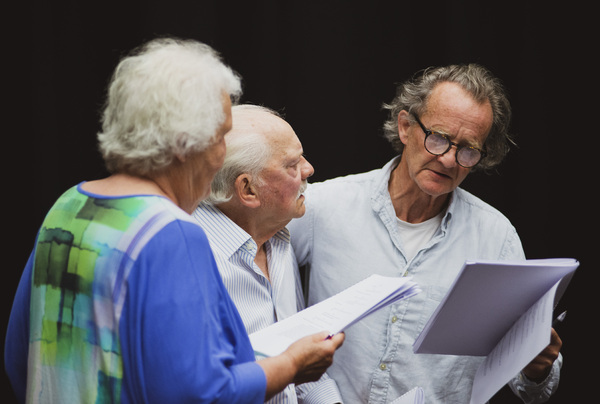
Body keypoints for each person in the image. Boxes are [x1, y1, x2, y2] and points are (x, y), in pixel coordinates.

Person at [4, 38, 344, 404]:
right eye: (219, 139)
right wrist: (292, 364)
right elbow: (201, 394)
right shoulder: (171, 233)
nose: (220, 158)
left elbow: (19, 357)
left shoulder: (67, 206)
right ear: (186, 145)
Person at [287, 64, 562, 404]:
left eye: (468, 149)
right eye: (439, 138)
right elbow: (256, 289)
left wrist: (536, 368)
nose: (448, 160)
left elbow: (530, 387)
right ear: (405, 126)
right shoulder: (324, 207)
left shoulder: (496, 237)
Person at [193, 104, 343, 404]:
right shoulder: (191, 259)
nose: (308, 169)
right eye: (292, 164)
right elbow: (200, 391)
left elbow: (301, 367)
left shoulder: (278, 238)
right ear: (248, 189)